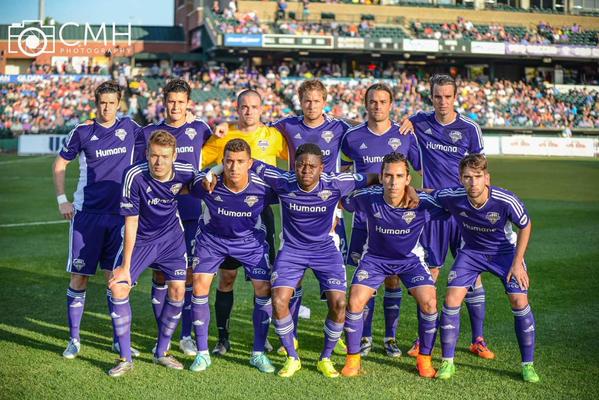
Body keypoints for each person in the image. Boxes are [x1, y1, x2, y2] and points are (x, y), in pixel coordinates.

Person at [250, 143, 378, 378]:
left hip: (326, 251)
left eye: (312, 166)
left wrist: (407, 188)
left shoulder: (336, 182)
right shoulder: (283, 181)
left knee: (340, 305)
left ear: (322, 168)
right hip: (292, 251)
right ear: (294, 166)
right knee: (279, 301)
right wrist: (213, 172)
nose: (305, 170)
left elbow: (373, 176)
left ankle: (325, 358)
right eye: (300, 165)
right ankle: (292, 357)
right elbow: (249, 162)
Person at [405, 74, 492, 359]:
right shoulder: (420, 121)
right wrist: (407, 120)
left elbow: (481, 170)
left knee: (472, 275)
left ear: (455, 97)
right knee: (429, 273)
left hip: (464, 211)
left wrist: (483, 206)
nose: (443, 101)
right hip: (432, 210)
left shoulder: (469, 128)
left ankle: (478, 339)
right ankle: (423, 339)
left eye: (447, 96)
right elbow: (406, 125)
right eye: (437, 96)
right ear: (431, 97)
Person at [53, 80, 140, 360]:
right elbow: (60, 164)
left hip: (118, 216)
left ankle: (118, 341)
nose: (106, 107)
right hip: (86, 215)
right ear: (96, 103)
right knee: (79, 277)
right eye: (102, 102)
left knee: (114, 279)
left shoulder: (130, 128)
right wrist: (61, 199)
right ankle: (74, 340)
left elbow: (162, 135)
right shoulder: (83, 131)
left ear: (119, 104)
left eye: (112, 103)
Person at [433, 154, 539, 383]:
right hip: (471, 253)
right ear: (460, 179)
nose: (473, 182)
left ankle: (527, 365)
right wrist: (409, 191)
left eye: (478, 177)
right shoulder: (454, 197)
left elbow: (525, 224)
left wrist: (518, 262)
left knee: (519, 300)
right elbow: (430, 194)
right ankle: (447, 362)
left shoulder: (505, 200)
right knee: (451, 299)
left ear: (487, 178)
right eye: (467, 177)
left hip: (505, 254)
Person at [340, 153, 443, 378]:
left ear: (408, 179)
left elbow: (449, 198)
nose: (393, 182)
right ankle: (353, 359)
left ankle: (425, 359)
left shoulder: (421, 201)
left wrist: (421, 191)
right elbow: (341, 195)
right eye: (388, 175)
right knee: (355, 300)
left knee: (429, 302)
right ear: (381, 177)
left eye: (399, 176)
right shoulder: (368, 197)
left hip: (410, 261)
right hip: (375, 259)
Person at [201, 89, 287, 355]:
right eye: (244, 107)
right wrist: (213, 171)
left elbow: (295, 160)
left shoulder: (274, 136)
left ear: (262, 109)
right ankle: (223, 338)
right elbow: (200, 162)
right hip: (226, 212)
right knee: (226, 278)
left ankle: (263, 337)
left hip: (260, 214)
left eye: (254, 106)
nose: (249, 111)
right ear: (237, 109)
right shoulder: (224, 135)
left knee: (262, 281)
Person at [107, 130, 198, 377]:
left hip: (171, 240)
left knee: (179, 290)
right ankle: (125, 357)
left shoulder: (184, 170)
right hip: (140, 241)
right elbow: (131, 222)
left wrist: (209, 180)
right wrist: (125, 267)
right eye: (154, 155)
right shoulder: (134, 175)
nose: (159, 162)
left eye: (165, 156)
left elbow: (200, 182)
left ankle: (162, 351)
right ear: (146, 153)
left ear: (174, 156)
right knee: (118, 286)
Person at [340, 82, 421, 358]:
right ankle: (365, 336)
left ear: (391, 105)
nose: (377, 106)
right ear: (366, 104)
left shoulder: (404, 134)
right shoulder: (351, 137)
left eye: (383, 102)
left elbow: (415, 170)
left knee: (393, 279)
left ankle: (390, 337)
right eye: (373, 102)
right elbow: (344, 170)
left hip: (396, 220)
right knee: (366, 281)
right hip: (364, 218)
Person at [135, 78, 212, 357]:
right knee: (159, 275)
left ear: (188, 103)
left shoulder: (200, 128)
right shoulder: (148, 133)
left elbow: (218, 150)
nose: (176, 106)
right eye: (171, 101)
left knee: (188, 276)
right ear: (163, 101)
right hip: (157, 216)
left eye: (181, 101)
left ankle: (186, 335)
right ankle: (162, 334)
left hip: (190, 212)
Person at [188, 138, 278, 373]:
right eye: (228, 161)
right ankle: (203, 353)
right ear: (222, 162)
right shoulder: (209, 183)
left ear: (249, 163)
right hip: (212, 240)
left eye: (240, 162)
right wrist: (211, 172)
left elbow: (289, 185)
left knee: (263, 287)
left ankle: (258, 353)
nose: (234, 167)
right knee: (200, 285)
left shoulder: (263, 187)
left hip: (250, 242)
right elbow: (192, 181)